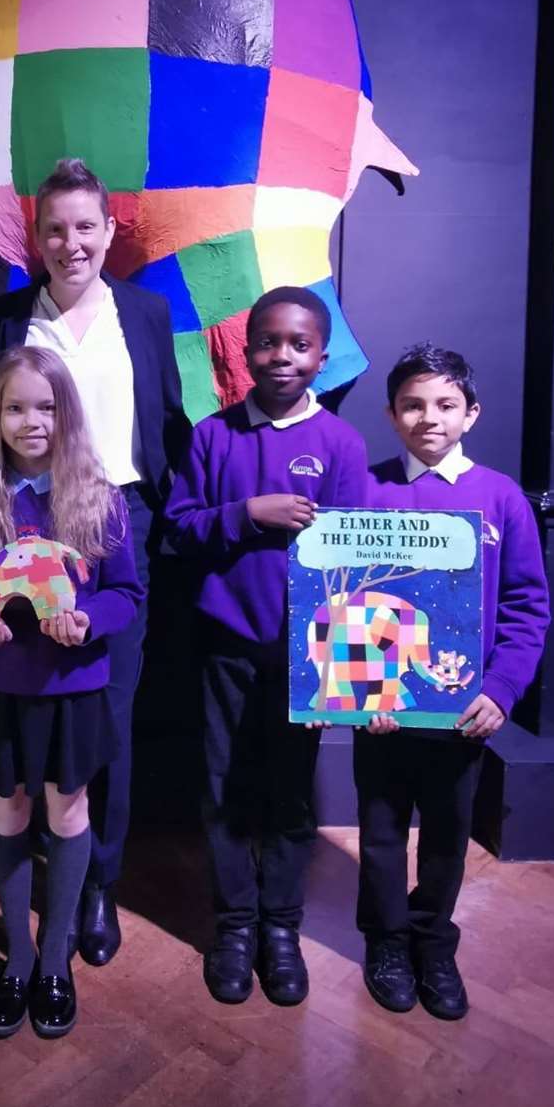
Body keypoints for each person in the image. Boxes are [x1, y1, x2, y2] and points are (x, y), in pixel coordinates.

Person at [0, 157, 188, 966]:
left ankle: (98, 886)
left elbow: (167, 421)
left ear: (109, 230)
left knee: (110, 720)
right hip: (18, 523)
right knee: (23, 708)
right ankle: (33, 876)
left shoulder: (148, 311)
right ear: (37, 234)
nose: (71, 243)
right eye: (55, 228)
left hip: (114, 523)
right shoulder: (2, 318)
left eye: (85, 226)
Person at [164, 286, 368, 1007]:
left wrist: (338, 670)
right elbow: (179, 529)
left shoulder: (342, 444)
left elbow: (357, 566)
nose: (283, 356)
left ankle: (282, 926)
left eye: (299, 344)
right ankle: (235, 924)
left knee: (289, 795)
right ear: (245, 350)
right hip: (225, 641)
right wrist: (247, 514)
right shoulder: (213, 435)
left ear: (321, 355)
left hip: (306, 655)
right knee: (221, 789)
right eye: (268, 342)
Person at [0, 346, 144, 1038]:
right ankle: (17, 960)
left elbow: (127, 594)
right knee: (8, 811)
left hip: (71, 687)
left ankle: (57, 958)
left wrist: (87, 621)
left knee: (68, 810)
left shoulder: (99, 501)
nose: (31, 421)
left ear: (67, 414)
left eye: (46, 407)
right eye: (16, 407)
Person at [356, 344, 549, 1020]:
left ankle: (433, 938)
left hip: (462, 708)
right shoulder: (365, 491)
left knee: (446, 829)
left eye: (444, 405)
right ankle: (384, 939)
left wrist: (499, 690)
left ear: (471, 413)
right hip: (381, 707)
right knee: (380, 829)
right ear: (391, 413)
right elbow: (344, 598)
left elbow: (528, 608)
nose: (428, 417)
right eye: (412, 404)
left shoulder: (502, 499)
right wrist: (359, 695)